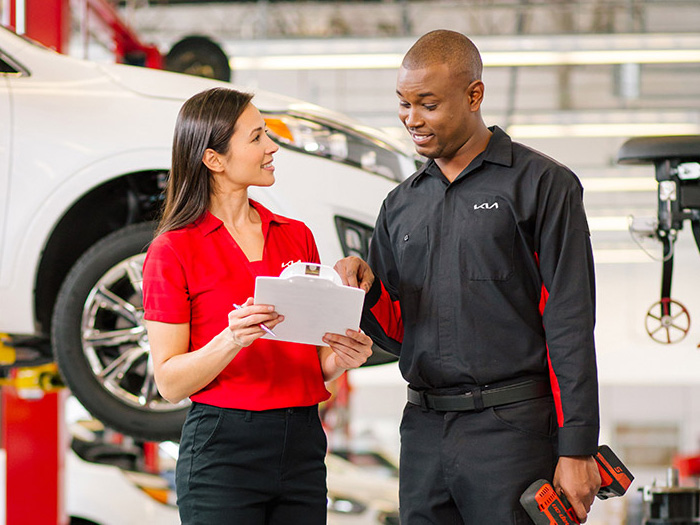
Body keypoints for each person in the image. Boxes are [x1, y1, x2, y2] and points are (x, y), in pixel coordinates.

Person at [335, 29, 601, 524]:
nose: (412, 119)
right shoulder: (400, 204)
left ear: (474, 95)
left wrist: (578, 448)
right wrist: (365, 293)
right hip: (423, 431)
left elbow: (570, 324)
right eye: (403, 104)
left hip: (513, 431)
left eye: (427, 104)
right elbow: (395, 332)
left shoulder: (544, 185)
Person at [142, 87, 373, 524]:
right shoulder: (172, 250)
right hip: (222, 449)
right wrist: (231, 339)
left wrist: (342, 358)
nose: (272, 147)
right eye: (257, 138)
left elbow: (310, 363)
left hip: (302, 441)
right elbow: (170, 382)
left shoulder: (295, 235)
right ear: (214, 159)